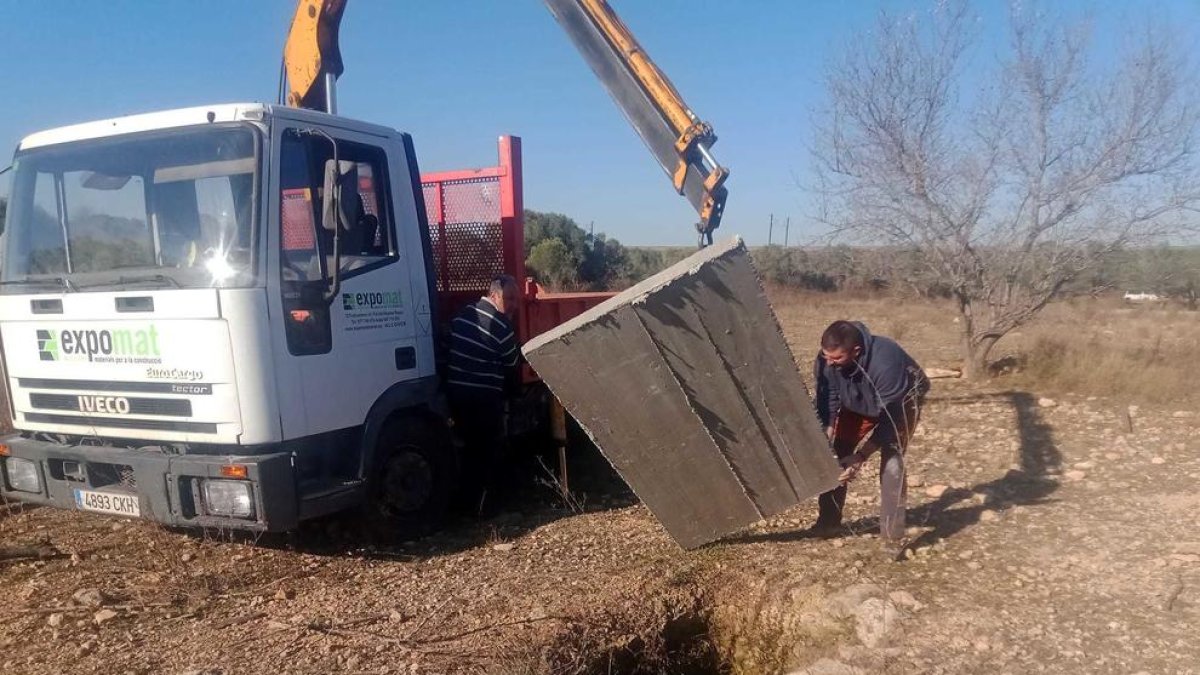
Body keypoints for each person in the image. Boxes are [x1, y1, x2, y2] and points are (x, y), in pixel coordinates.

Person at [812, 320, 929, 559]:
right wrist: (828, 437)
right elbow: (829, 399)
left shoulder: (887, 362)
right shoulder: (827, 360)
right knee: (838, 453)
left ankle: (892, 538)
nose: (829, 363)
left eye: (836, 359)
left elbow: (891, 421)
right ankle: (828, 522)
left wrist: (861, 456)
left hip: (900, 404)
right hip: (857, 401)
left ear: (856, 351)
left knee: (892, 463)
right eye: (826, 357)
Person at [446, 274, 522, 513]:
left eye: (515, 300)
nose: (513, 305)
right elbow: (513, 362)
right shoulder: (500, 325)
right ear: (494, 295)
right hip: (484, 399)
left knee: (469, 450)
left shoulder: (463, 314)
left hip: (456, 395)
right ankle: (483, 507)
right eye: (509, 298)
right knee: (488, 452)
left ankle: (462, 504)